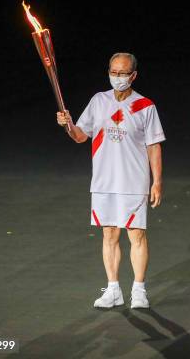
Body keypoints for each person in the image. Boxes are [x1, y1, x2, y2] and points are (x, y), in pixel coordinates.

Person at [56, 52, 165, 309]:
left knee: (136, 235)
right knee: (109, 234)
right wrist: (68, 124)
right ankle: (113, 289)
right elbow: (81, 136)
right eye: (113, 72)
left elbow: (154, 146)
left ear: (134, 75)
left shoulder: (145, 106)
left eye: (123, 73)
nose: (117, 77)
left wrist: (157, 181)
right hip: (104, 181)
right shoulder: (99, 101)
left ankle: (139, 290)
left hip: (134, 181)